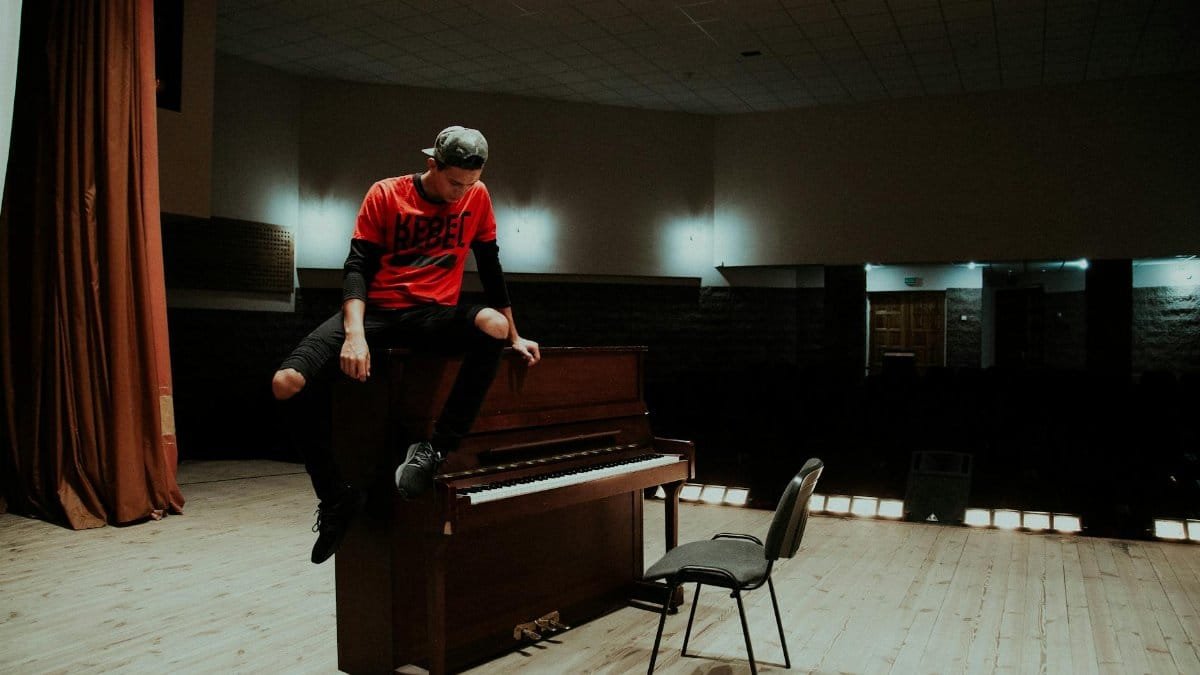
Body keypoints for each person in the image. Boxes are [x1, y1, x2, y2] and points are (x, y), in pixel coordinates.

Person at [271, 125, 540, 564]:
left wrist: (515, 334)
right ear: (432, 163)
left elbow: (491, 268)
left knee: (490, 325)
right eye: (455, 182)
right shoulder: (386, 194)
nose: (462, 193)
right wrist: (355, 335)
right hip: (376, 312)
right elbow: (357, 267)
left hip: (431, 313)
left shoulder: (477, 196)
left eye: (471, 183)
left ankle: (434, 449)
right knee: (286, 383)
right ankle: (336, 496)